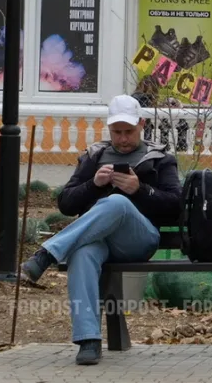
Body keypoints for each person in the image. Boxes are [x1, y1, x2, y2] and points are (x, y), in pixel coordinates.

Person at [19, 94, 183, 365]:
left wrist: (140, 190)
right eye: (116, 132)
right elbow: (66, 204)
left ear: (142, 124)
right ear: (109, 129)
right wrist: (93, 185)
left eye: (128, 131)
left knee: (117, 201)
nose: (122, 138)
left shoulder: (160, 158)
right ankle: (88, 340)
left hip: (139, 240)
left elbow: (176, 207)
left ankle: (48, 254)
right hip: (100, 242)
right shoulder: (94, 156)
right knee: (82, 254)